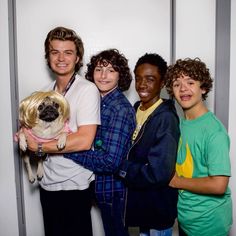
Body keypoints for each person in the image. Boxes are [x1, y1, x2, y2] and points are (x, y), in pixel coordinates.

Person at [24, 26, 101, 236]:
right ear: (47, 57)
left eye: (68, 52)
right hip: (47, 183)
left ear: (77, 58)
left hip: (74, 185)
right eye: (54, 52)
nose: (61, 58)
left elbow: (85, 140)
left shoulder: (87, 89)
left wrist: (39, 146)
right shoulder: (45, 92)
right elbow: (33, 130)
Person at [64, 48, 136, 236]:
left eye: (111, 70)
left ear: (120, 76)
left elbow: (110, 161)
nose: (103, 76)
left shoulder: (119, 109)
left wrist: (66, 149)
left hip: (115, 192)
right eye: (99, 69)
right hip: (101, 188)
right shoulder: (98, 102)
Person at [165, 57, 232, 236]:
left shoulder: (213, 131)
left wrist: (176, 181)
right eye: (177, 84)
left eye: (190, 82)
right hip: (187, 219)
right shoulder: (180, 124)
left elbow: (219, 185)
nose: (183, 88)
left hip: (209, 224)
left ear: (203, 88)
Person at [118, 53, 180, 236]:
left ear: (162, 83)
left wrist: (121, 167)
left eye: (150, 79)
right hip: (140, 206)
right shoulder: (136, 108)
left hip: (157, 209)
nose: (142, 84)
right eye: (139, 79)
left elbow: (158, 173)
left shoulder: (166, 118)